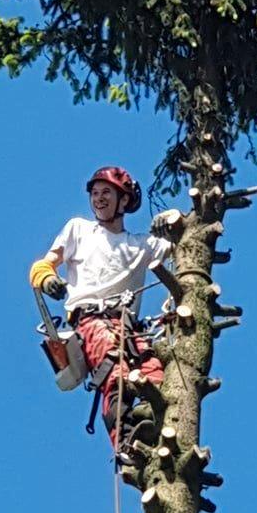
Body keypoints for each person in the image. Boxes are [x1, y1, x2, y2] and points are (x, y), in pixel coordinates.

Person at [29, 166, 171, 457]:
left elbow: (183, 242)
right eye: (95, 193)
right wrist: (47, 279)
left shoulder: (141, 245)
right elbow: (43, 264)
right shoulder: (79, 230)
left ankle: (155, 431)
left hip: (130, 326)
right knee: (116, 370)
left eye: (107, 192)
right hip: (92, 320)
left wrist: (173, 219)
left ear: (124, 200)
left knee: (154, 374)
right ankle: (127, 443)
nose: (99, 198)